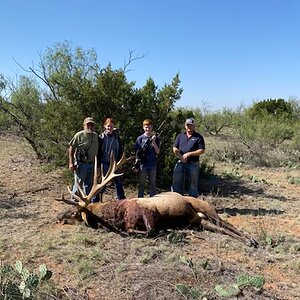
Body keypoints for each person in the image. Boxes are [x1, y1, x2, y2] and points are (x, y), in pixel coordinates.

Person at [171, 117, 205, 198]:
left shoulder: (198, 137)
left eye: (191, 125)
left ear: (194, 126)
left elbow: (202, 150)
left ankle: (192, 204)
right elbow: (175, 147)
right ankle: (176, 200)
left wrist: (189, 154)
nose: (189, 127)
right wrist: (180, 156)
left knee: (193, 184)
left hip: (193, 163)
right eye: (188, 125)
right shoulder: (180, 136)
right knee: (176, 181)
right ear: (185, 126)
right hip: (181, 162)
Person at [68, 117, 99, 201]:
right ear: (84, 125)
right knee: (78, 184)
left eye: (92, 124)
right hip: (81, 164)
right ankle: (74, 203)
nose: (90, 126)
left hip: (92, 164)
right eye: (88, 124)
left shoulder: (95, 136)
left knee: (89, 185)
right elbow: (71, 148)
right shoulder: (79, 135)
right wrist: (71, 162)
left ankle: (87, 202)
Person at [98, 117, 126, 200]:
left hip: (114, 163)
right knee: (103, 182)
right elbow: (98, 151)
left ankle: (121, 198)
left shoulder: (116, 137)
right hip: (105, 162)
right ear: (105, 126)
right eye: (108, 126)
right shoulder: (101, 137)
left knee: (117, 181)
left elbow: (120, 149)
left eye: (111, 126)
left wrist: (120, 161)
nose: (110, 128)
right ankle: (96, 199)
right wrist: (99, 164)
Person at [134, 119, 160, 197]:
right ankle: (140, 199)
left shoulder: (155, 138)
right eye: (146, 127)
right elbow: (137, 153)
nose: (147, 129)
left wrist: (154, 142)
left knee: (152, 184)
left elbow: (158, 152)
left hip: (152, 164)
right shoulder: (140, 139)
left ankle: (153, 200)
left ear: (152, 127)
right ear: (143, 127)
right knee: (141, 183)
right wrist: (136, 165)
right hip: (143, 165)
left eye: (149, 127)